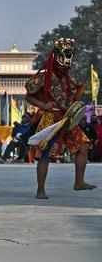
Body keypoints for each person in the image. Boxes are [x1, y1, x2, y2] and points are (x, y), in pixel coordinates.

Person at [25, 38, 96, 199]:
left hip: (67, 118)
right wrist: (44, 106)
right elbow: (29, 96)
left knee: (83, 146)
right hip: (50, 118)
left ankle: (79, 182)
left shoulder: (68, 78)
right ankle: (40, 190)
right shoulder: (43, 77)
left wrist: (79, 93)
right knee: (45, 154)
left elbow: (74, 98)